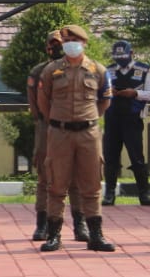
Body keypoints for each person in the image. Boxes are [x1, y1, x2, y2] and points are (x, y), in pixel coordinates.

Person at [37, 24, 115, 252]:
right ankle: (54, 235)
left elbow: (104, 101)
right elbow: (43, 100)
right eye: (66, 40)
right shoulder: (51, 70)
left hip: (88, 133)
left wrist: (89, 119)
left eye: (74, 40)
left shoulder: (98, 70)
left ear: (84, 43)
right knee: (56, 184)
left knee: (91, 185)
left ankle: (96, 235)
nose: (70, 43)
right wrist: (55, 119)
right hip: (59, 132)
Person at [28, 30, 87, 243]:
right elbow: (35, 104)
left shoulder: (82, 68)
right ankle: (42, 224)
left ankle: (80, 224)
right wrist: (48, 120)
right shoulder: (39, 71)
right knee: (47, 176)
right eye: (52, 44)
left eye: (60, 44)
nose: (55, 47)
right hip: (48, 128)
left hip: (76, 129)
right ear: (47, 47)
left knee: (76, 179)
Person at [102, 39, 150, 206]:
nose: (121, 59)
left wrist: (135, 93)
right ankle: (109, 194)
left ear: (131, 53)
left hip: (132, 119)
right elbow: (100, 92)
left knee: (137, 157)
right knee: (110, 157)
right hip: (112, 119)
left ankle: (144, 193)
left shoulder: (144, 69)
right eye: (118, 57)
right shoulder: (108, 70)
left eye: (124, 56)